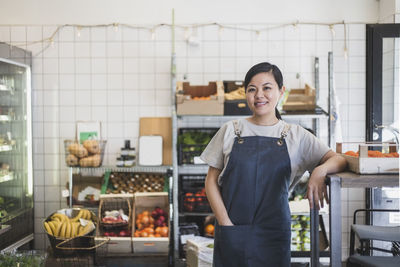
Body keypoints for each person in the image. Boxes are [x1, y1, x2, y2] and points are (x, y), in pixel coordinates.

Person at [200, 62, 347, 267]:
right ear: (246, 94)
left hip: (273, 233)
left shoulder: (295, 135)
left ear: (281, 91)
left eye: (267, 88)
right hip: (232, 229)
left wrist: (319, 171)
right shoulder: (231, 130)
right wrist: (226, 224)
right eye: (252, 89)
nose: (259, 95)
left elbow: (339, 159)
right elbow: (210, 181)